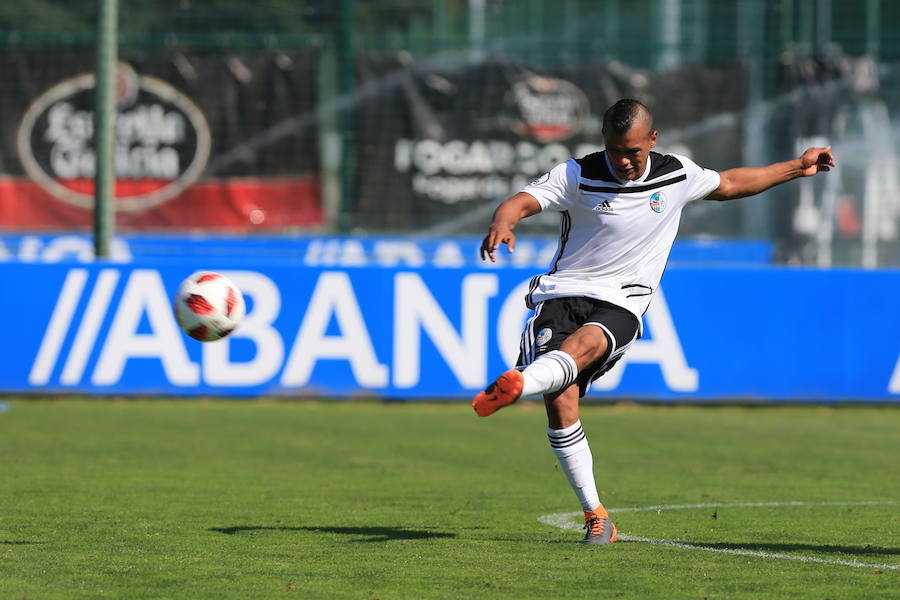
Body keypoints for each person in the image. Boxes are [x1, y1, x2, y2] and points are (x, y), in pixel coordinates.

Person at [471, 98, 836, 545]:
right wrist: (502, 223)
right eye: (615, 150)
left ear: (653, 140)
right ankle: (597, 515)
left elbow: (733, 182)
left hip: (623, 301)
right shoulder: (577, 173)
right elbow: (522, 202)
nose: (624, 160)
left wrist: (798, 167)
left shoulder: (676, 173)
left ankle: (518, 386)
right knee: (561, 401)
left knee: (587, 343)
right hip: (562, 294)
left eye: (634, 152)